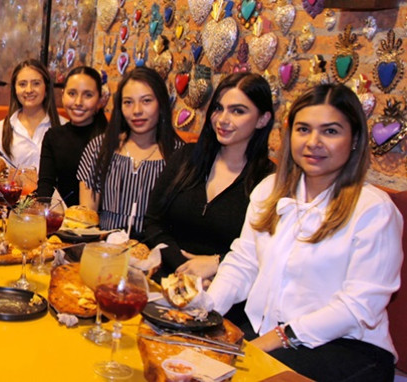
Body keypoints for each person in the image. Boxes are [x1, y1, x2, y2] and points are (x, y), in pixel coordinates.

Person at [207, 84, 401, 381]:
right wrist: (205, 313)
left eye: (330, 131)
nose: (313, 142)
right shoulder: (269, 190)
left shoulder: (373, 209)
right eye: (303, 129)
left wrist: (274, 339)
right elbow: (243, 262)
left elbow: (360, 306)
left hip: (347, 347)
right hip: (266, 333)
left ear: (354, 139)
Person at [142, 72, 275, 280]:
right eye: (218, 108)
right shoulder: (187, 157)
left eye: (238, 111)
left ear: (262, 119)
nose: (222, 119)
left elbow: (264, 251)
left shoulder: (269, 181)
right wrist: (185, 268)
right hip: (165, 280)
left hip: (225, 289)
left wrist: (217, 263)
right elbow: (152, 222)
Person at [76, 66, 183, 235]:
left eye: (146, 101)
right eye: (128, 102)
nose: (137, 111)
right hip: (103, 246)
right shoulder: (99, 148)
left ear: (161, 104)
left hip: (154, 248)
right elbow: (86, 220)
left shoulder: (179, 156)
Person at [37, 66, 108, 206]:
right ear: (63, 95)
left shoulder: (110, 139)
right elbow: (45, 187)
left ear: (100, 100)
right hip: (67, 217)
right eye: (72, 93)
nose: (78, 102)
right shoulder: (53, 137)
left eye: (88, 95)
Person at [0, 59, 66, 169]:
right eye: (22, 84)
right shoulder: (3, 128)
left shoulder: (63, 126)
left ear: (46, 88)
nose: (29, 90)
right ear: (15, 89)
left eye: (36, 83)